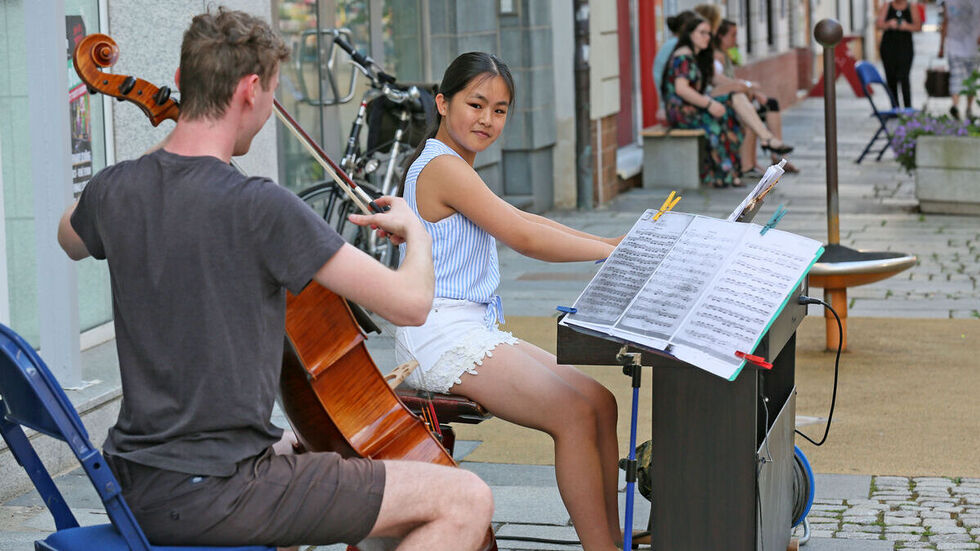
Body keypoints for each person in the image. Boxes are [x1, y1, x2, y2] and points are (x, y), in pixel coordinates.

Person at [57, 8, 493, 550]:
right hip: (219, 493)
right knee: (466, 498)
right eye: (271, 95)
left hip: (138, 484)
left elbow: (66, 236)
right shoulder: (260, 207)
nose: (267, 110)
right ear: (250, 89)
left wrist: (166, 144)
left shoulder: (114, 191)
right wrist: (417, 230)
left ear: (183, 85)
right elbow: (411, 304)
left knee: (315, 449)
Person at [394, 52, 625, 550]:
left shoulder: (455, 165)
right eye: (475, 104)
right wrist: (611, 253)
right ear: (442, 102)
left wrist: (616, 247)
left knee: (600, 403)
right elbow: (524, 237)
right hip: (439, 335)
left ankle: (611, 542)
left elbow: (526, 221)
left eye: (499, 110)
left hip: (472, 328)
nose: (487, 120)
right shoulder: (441, 166)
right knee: (573, 413)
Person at [661, 15, 745, 187]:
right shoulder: (683, 55)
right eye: (702, 33)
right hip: (682, 111)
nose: (706, 37)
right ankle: (722, 175)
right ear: (690, 34)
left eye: (708, 34)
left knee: (729, 111)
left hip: (692, 107)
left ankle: (728, 172)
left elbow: (713, 80)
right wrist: (709, 104)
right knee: (716, 122)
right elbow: (681, 89)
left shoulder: (697, 55)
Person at [711, 19, 799, 176]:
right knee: (758, 109)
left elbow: (730, 82)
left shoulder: (725, 55)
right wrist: (749, 87)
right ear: (721, 36)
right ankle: (772, 150)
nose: (735, 39)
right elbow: (723, 83)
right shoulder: (716, 57)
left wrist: (748, 88)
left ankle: (776, 153)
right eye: (733, 35)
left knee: (769, 104)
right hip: (723, 101)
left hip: (732, 97)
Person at [877, 0, 922, 109]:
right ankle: (895, 107)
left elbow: (918, 26)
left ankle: (908, 107)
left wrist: (905, 26)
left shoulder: (911, 7)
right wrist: (889, 24)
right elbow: (879, 24)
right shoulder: (887, 6)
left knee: (904, 77)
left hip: (905, 47)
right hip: (889, 47)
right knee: (891, 78)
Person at [939, 0, 980, 120]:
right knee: (969, 78)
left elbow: (945, 22)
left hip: (968, 45)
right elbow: (945, 22)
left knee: (958, 77)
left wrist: (941, 46)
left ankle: (958, 105)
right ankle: (965, 107)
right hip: (961, 44)